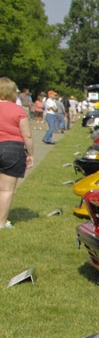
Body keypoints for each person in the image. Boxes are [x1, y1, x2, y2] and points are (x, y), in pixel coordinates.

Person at [0, 78, 34, 229]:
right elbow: (27, 135)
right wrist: (30, 154)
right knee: (6, 189)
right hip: (12, 149)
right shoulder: (19, 110)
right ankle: (1, 222)